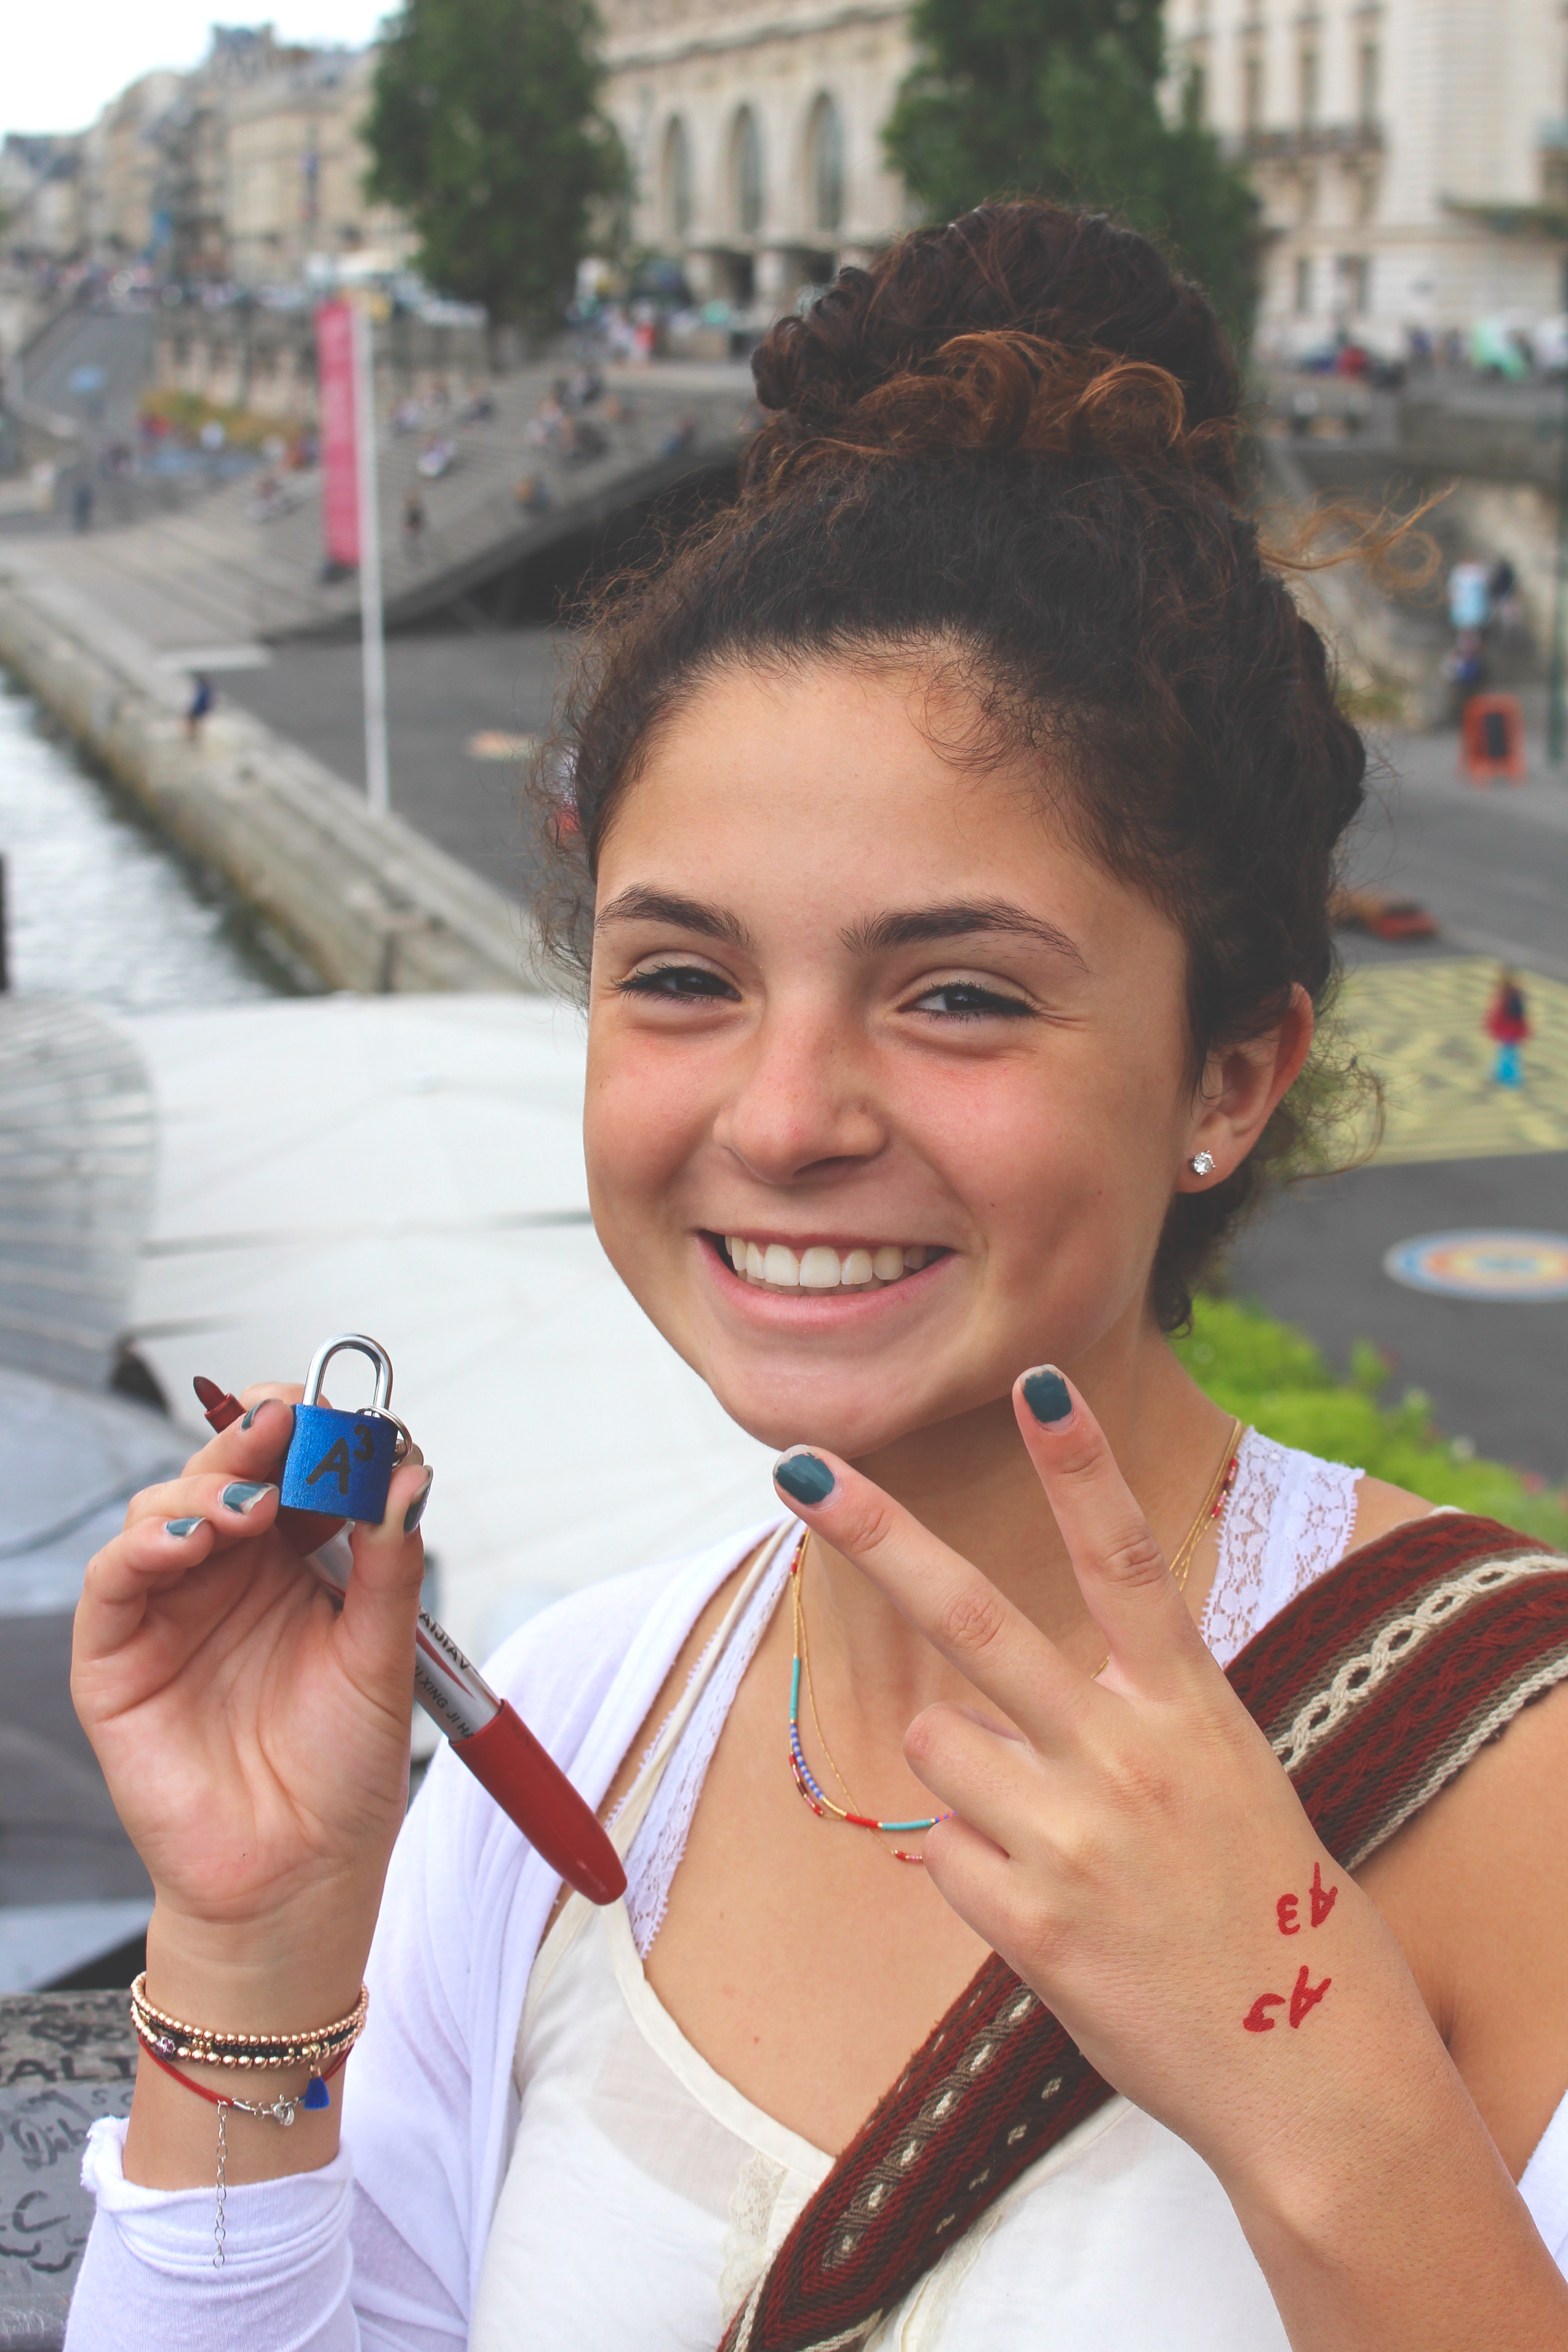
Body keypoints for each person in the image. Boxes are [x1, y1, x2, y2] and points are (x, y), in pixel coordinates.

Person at [66, 205, 1568, 2349]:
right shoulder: (594, 1708)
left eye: (953, 995)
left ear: (1227, 1070)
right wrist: (253, 1936)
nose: (778, 1116)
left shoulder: (1514, 1769)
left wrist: (1316, 2099)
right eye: (677, 975)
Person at [1485, 966, 1531, 1087]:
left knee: (1507, 1053)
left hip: (1507, 1030)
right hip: (1509, 1030)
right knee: (1508, 1053)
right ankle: (1508, 1077)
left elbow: (1509, 1015)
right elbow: (1517, 1016)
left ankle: (1506, 1076)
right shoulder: (1512, 996)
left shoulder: (1507, 996)